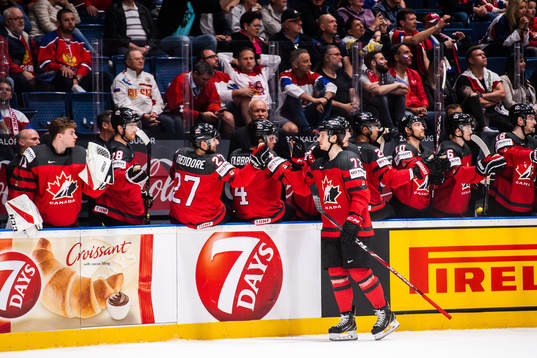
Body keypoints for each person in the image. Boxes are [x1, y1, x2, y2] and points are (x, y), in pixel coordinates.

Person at [271, 117, 398, 341]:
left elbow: (361, 195)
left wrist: (353, 221)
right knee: (336, 274)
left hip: (354, 227)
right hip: (330, 228)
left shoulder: (350, 159)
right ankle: (347, 321)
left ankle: (384, 313)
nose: (317, 139)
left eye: (321, 135)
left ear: (333, 137)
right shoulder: (320, 163)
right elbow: (300, 187)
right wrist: (295, 162)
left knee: (360, 273)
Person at [8, 117, 105, 227]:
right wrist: (27, 223)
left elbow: (92, 192)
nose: (76, 136)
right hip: (42, 227)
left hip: (73, 225)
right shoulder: (34, 155)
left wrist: (101, 178)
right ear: (59, 136)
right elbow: (20, 193)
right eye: (71, 133)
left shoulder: (81, 153)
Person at [168, 122, 260, 229]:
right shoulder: (214, 160)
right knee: (234, 211)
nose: (217, 142)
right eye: (213, 139)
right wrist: (254, 165)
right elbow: (239, 181)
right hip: (202, 218)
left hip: (176, 214)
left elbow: (173, 175)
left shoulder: (180, 153)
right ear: (203, 144)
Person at [347, 112, 423, 220]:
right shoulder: (373, 151)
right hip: (369, 207)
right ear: (365, 130)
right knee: (396, 211)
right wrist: (413, 172)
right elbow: (390, 179)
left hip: (350, 207)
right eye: (374, 126)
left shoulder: (345, 149)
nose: (378, 129)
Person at [433, 112, 506, 217]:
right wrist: (481, 170)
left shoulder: (466, 148)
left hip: (462, 206)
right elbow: (459, 174)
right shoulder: (448, 148)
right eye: (467, 127)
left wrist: (478, 180)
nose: (471, 131)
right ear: (457, 131)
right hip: (446, 209)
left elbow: (468, 178)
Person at [229, 117, 294, 224]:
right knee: (294, 209)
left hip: (240, 214)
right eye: (271, 138)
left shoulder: (234, 154)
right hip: (268, 214)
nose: (274, 142)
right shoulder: (270, 156)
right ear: (261, 141)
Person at [94, 108, 150, 226]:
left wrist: (140, 193)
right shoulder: (119, 150)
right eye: (131, 126)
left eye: (136, 125)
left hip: (122, 211)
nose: (135, 130)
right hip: (120, 214)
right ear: (120, 128)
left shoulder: (123, 146)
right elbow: (116, 179)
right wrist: (129, 177)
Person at [111, 49, 182, 139]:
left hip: (152, 115)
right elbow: (122, 104)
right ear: (128, 62)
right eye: (137, 59)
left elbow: (158, 101)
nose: (141, 61)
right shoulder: (120, 80)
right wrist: (143, 115)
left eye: (142, 58)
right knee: (167, 123)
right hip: (132, 118)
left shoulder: (149, 77)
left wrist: (154, 113)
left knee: (176, 122)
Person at [165, 61, 235, 138]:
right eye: (204, 79)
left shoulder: (208, 81)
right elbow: (177, 109)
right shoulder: (180, 81)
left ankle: (222, 146)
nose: (206, 82)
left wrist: (216, 111)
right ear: (195, 74)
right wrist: (200, 115)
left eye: (208, 79)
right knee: (179, 121)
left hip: (201, 114)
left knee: (227, 117)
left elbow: (214, 101)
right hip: (179, 115)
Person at [489, 103, 537, 216]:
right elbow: (507, 155)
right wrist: (530, 155)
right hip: (502, 201)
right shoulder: (504, 137)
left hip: (526, 203)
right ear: (520, 120)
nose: (535, 122)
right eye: (531, 118)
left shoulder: (533, 142)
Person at [278, 48, 336, 134]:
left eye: (310, 61)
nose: (310, 64)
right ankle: (307, 131)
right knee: (293, 97)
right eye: (305, 61)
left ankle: (322, 127)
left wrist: (324, 99)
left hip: (307, 112)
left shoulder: (312, 75)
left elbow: (332, 86)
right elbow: (290, 88)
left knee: (326, 93)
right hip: (289, 115)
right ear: (295, 64)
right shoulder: (285, 76)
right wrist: (315, 100)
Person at [218, 48, 280, 125]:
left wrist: (258, 61)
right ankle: (251, 127)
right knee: (246, 98)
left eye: (251, 58)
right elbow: (220, 56)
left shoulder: (263, 73)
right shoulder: (234, 74)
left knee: (290, 128)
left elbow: (277, 59)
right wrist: (235, 61)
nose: (249, 61)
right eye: (245, 59)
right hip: (249, 110)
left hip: (266, 109)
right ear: (239, 61)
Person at [454, 46, 508, 133]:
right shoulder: (464, 78)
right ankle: (483, 128)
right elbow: (474, 100)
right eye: (479, 55)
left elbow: (502, 93)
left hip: (495, 112)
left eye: (484, 55)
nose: (484, 57)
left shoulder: (492, 75)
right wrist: (494, 100)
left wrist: (482, 95)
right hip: (473, 115)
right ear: (471, 60)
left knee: (512, 127)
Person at [38, 8, 92, 92]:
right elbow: (44, 62)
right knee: (65, 75)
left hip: (77, 76)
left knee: (103, 76)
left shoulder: (79, 41)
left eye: (72, 19)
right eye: (66, 20)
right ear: (58, 22)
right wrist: (61, 68)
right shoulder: (49, 39)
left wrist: (78, 77)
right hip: (58, 76)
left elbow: (86, 62)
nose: (70, 23)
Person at [390, 114, 433, 218]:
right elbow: (413, 167)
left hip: (425, 205)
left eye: (422, 125)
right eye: (417, 125)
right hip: (404, 207)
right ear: (408, 130)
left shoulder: (427, 152)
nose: (422, 127)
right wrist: (429, 164)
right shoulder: (401, 148)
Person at [391, 8, 450, 76]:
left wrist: (430, 77)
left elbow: (425, 57)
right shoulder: (395, 34)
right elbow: (413, 40)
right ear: (402, 23)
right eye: (411, 19)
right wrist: (437, 26)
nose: (415, 22)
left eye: (415, 19)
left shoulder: (417, 34)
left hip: (419, 75)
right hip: (400, 74)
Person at [361, 49, 407, 130]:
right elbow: (378, 91)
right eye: (381, 59)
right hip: (368, 107)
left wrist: (385, 88)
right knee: (382, 97)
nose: (385, 61)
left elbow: (404, 90)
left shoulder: (385, 74)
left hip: (385, 106)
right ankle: (390, 128)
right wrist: (398, 84)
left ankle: (400, 126)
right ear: (373, 63)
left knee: (400, 96)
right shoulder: (363, 76)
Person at [0, 7, 39, 92]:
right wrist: (22, 72)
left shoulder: (26, 36)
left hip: (31, 73)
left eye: (22, 18)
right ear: (7, 21)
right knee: (21, 80)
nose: (21, 21)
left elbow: (36, 57)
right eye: (17, 19)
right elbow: (5, 61)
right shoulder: (3, 38)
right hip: (17, 74)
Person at [388, 43, 428, 120]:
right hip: (403, 111)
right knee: (410, 117)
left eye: (410, 52)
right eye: (406, 53)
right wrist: (411, 109)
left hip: (419, 110)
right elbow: (392, 102)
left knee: (441, 116)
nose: (411, 55)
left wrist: (423, 108)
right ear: (396, 57)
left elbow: (422, 96)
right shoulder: (389, 75)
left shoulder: (414, 73)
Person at [318, 45, 354, 118]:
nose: (341, 57)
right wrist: (344, 106)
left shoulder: (342, 73)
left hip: (350, 113)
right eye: (336, 55)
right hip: (331, 116)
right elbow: (320, 99)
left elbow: (352, 89)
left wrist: (355, 103)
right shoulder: (318, 76)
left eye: (340, 54)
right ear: (327, 58)